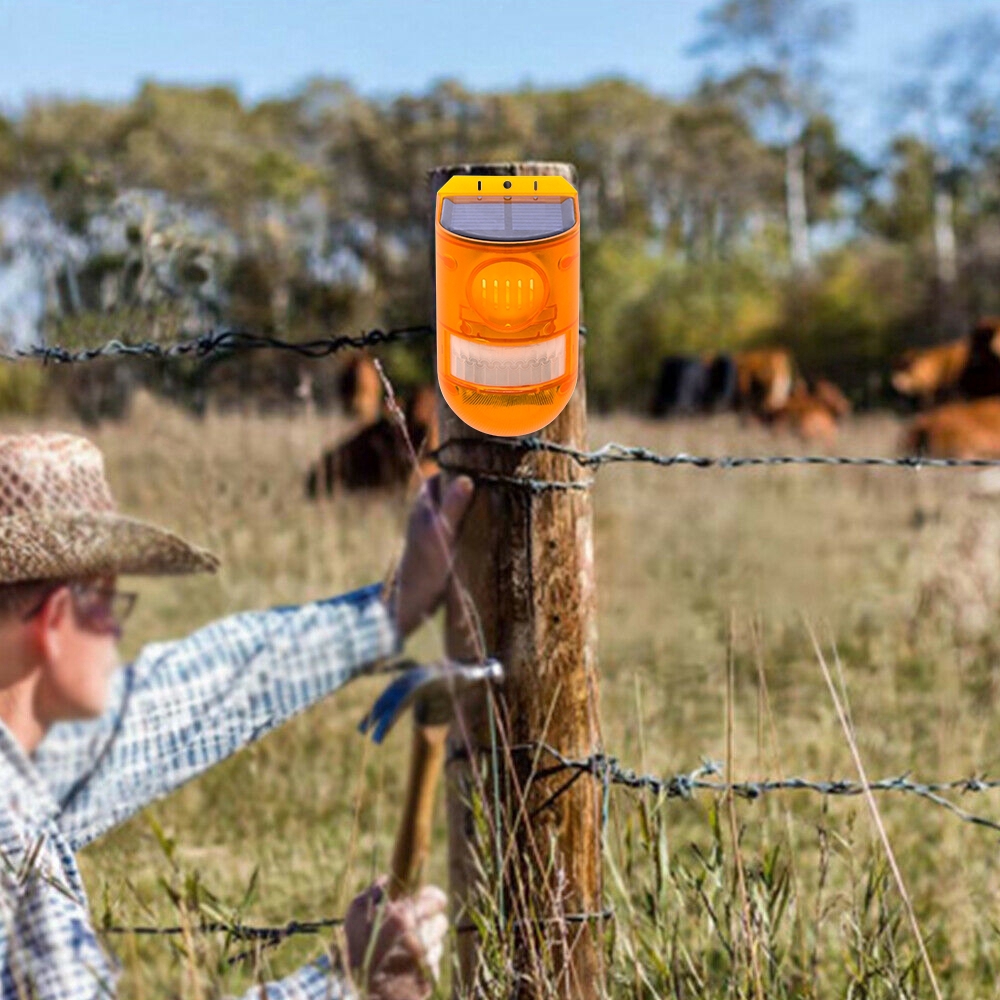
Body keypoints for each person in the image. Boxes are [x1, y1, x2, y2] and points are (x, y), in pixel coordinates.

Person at [0, 431, 476, 1000]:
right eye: (109, 604)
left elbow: (186, 699)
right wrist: (346, 984)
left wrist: (389, 611)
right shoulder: (16, 854)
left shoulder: (23, 769)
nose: (119, 634)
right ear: (56, 623)